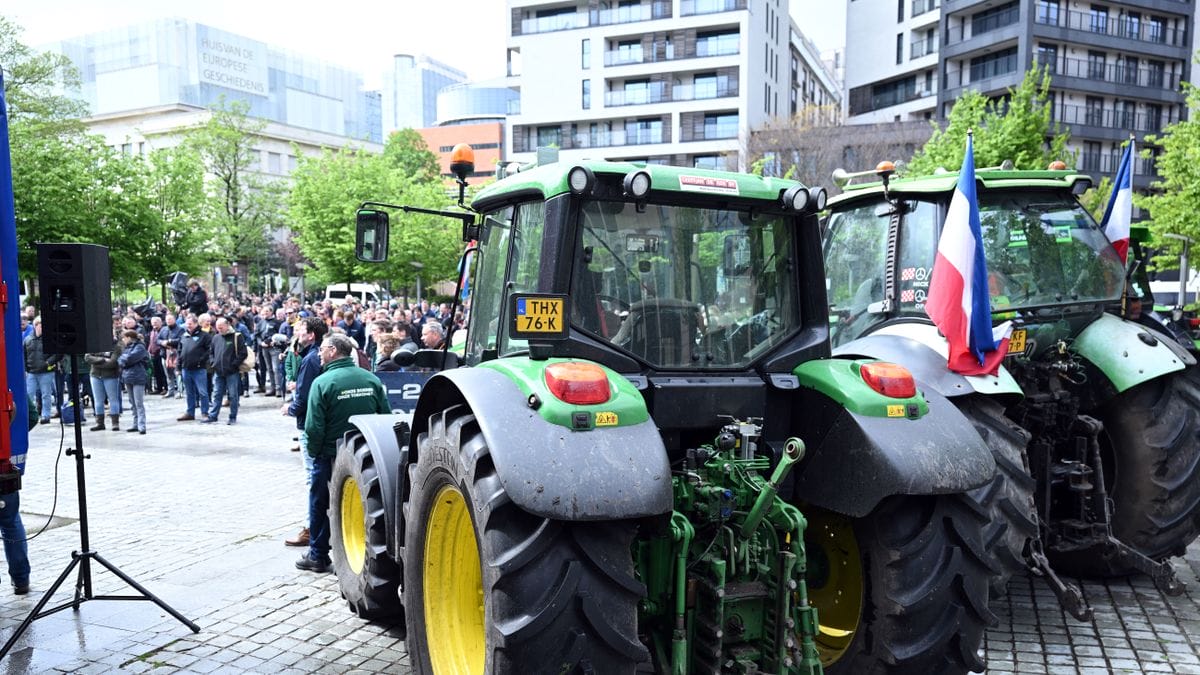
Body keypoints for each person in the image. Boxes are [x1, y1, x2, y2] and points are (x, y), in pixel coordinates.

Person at [296, 333, 390, 573]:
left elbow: (313, 426)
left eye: (322, 350)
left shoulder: (323, 382)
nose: (318, 354)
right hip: (364, 456)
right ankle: (356, 554)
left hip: (329, 455)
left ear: (332, 351)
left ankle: (318, 555)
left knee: (320, 503)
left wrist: (316, 453)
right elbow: (385, 417)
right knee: (359, 505)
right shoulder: (370, 379)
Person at [281, 317, 327, 547]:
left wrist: (291, 408)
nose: (298, 333)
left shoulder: (310, 359)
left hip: (309, 422)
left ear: (311, 335)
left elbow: (306, 393)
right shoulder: (315, 355)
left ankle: (311, 528)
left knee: (313, 478)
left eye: (302, 330)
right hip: (316, 420)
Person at [0, 400, 37, 595]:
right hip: (3, 464)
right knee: (10, 522)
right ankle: (21, 580)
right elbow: (30, 416)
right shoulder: (7, 375)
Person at [205, 317, 247, 425]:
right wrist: (213, 363)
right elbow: (211, 352)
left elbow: (243, 353)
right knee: (217, 394)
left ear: (227, 325)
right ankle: (213, 416)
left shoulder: (237, 336)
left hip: (232, 372)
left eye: (221, 327)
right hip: (218, 371)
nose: (219, 330)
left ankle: (232, 417)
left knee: (233, 395)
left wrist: (234, 365)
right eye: (218, 328)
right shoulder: (216, 337)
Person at [23, 317, 61, 424]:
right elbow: (23, 355)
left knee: (46, 394)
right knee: (29, 395)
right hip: (31, 372)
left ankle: (46, 416)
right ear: (35, 326)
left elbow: (58, 354)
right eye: (40, 325)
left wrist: (48, 363)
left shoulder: (50, 340)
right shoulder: (27, 340)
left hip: (46, 372)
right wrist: (26, 369)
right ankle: (29, 415)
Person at [177, 315, 213, 421]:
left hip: (199, 369)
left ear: (196, 323)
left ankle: (205, 412)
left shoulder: (204, 336)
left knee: (202, 392)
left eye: (190, 324)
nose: (188, 326)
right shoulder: (184, 336)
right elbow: (179, 352)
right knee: (189, 392)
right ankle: (190, 412)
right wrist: (178, 367)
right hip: (185, 368)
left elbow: (209, 350)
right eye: (187, 324)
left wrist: (201, 360)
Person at [84, 332, 122, 431]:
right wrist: (102, 359)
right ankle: (100, 423)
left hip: (110, 376)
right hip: (95, 375)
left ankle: (115, 423)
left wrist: (96, 362)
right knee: (98, 400)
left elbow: (113, 362)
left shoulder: (117, 346)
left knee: (113, 399)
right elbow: (87, 357)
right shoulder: (95, 344)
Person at [117, 329, 149, 434]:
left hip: (138, 377)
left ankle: (141, 425)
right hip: (127, 376)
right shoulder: (127, 348)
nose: (123, 340)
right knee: (132, 402)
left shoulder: (140, 347)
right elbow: (120, 359)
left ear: (129, 338)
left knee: (138, 402)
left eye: (124, 338)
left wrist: (123, 360)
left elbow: (128, 359)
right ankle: (135, 424)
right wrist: (123, 360)